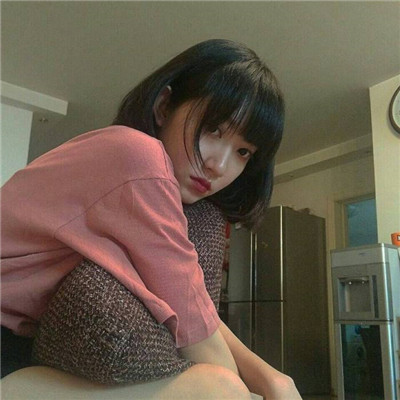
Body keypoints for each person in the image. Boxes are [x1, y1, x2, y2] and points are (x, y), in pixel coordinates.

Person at [1, 39, 302, 399]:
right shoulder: (139, 158)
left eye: (243, 151)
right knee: (220, 389)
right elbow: (191, 316)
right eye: (213, 129)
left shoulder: (145, 186)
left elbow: (193, 302)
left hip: (18, 351)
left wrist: (272, 378)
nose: (219, 165)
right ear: (163, 107)